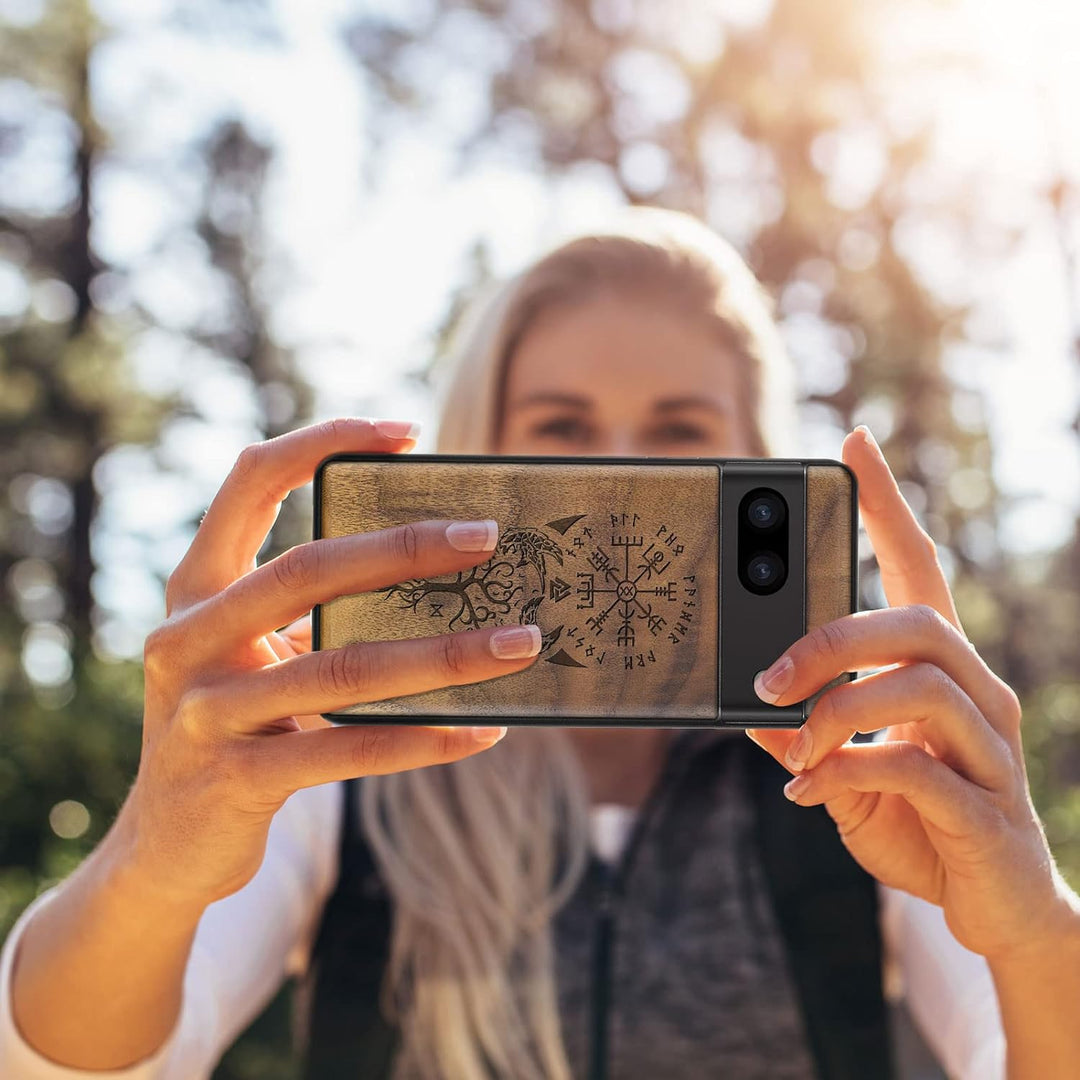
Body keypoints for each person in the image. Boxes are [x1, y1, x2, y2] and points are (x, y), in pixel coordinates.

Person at [2, 206, 1079, 1080]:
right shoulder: (342, 765)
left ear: (758, 463)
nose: (620, 476)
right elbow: (73, 1066)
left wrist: (1033, 931)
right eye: (561, 430)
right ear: (478, 456)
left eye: (678, 434)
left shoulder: (856, 774)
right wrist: (155, 857)